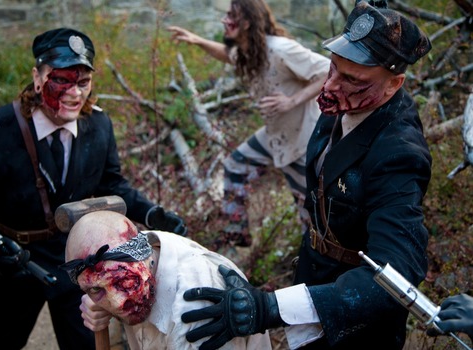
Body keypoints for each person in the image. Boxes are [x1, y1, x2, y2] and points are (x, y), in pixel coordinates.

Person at [179, 1, 433, 349]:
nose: (330, 86)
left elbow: (396, 275)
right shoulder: (342, 104)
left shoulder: (399, 154)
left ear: (393, 85)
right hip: (313, 275)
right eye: (333, 68)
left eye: (351, 79)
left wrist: (273, 307)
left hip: (354, 322)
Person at [0, 27, 187, 350]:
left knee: (83, 341)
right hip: (13, 261)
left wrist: (151, 213)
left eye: (83, 82)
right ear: (37, 76)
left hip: (73, 258)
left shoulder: (98, 126)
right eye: (61, 79)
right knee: (2, 339)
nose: (75, 93)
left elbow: (112, 184)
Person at [168, 0, 330, 248]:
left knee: (307, 207)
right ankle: (236, 232)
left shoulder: (281, 49)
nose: (225, 20)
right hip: (276, 134)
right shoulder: (248, 51)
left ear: (247, 22)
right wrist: (198, 40)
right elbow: (226, 53)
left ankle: (313, 259)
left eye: (231, 16)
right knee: (236, 164)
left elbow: (328, 70)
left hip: (303, 139)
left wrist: (291, 101)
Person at [61, 209, 271, 349]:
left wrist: (101, 291)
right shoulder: (141, 247)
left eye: (124, 283)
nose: (116, 302)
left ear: (145, 260)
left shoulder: (193, 313)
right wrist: (96, 301)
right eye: (96, 290)